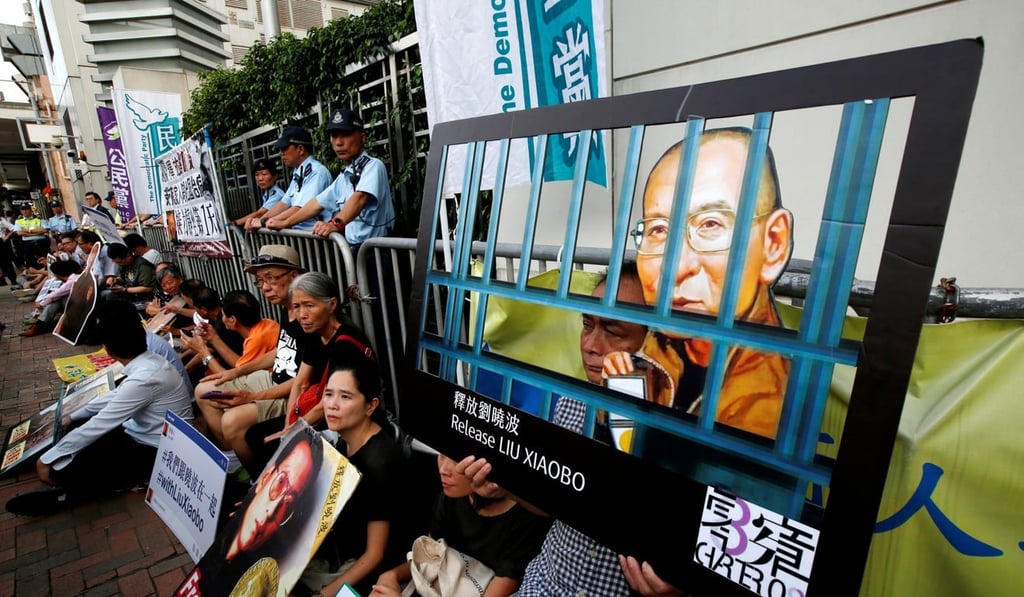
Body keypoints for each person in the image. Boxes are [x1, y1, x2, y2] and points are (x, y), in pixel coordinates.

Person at [459, 270, 683, 597]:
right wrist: (508, 484)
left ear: (661, 340)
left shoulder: (692, 442)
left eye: (614, 330)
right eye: (588, 324)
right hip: (544, 584)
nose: (590, 345)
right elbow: (554, 501)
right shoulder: (574, 403)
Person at [603, 127, 794, 439]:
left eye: (710, 225)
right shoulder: (661, 348)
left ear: (774, 243)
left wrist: (628, 416)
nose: (675, 268)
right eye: (658, 230)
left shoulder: (766, 402)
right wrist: (621, 395)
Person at [6, 300, 193, 516]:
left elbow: (102, 421)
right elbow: (114, 398)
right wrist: (72, 415)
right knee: (77, 431)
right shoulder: (148, 362)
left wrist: (47, 458)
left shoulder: (145, 377)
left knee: (63, 467)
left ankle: (75, 492)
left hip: (158, 450)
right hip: (142, 434)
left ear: (109, 350)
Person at [244, 272, 374, 476]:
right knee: (256, 436)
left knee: (273, 446)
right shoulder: (315, 334)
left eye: (309, 305)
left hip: (346, 418)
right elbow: (301, 383)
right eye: (296, 306)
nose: (301, 314)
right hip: (320, 409)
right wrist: (288, 427)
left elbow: (328, 404)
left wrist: (291, 434)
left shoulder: (346, 344)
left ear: (332, 305)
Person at [371, 452, 551, 597]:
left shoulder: (527, 520)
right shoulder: (452, 495)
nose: (443, 469)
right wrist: (390, 576)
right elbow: (429, 556)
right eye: (441, 454)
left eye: (456, 458)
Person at [299, 358, 406, 597]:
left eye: (345, 397)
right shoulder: (342, 442)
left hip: (373, 570)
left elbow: (375, 555)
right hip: (339, 551)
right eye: (328, 394)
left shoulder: (381, 462)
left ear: (371, 406)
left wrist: (326, 594)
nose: (332, 405)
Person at [196, 245, 307, 474]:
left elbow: (304, 380)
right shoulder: (286, 308)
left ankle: (257, 480)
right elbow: (282, 351)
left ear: (294, 276)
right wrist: (236, 372)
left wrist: (252, 397)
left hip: (292, 391)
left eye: (271, 278)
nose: (265, 288)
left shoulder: (307, 315)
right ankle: (233, 458)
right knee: (204, 390)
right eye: (260, 281)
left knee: (232, 421)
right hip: (274, 379)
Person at [194, 430, 325, 596]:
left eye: (289, 501)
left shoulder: (263, 582)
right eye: (280, 482)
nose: (271, 511)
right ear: (265, 478)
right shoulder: (218, 513)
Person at [267, 109, 395, 249]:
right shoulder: (343, 178)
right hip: (357, 250)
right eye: (334, 136)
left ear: (363, 137)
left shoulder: (373, 166)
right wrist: (286, 223)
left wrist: (334, 224)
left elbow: (359, 199)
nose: (339, 142)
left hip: (378, 251)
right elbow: (316, 204)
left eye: (346, 135)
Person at [191, 290, 280, 447]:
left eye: (224, 315)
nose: (222, 319)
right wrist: (214, 338)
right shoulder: (266, 324)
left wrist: (203, 351)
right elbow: (240, 367)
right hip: (263, 380)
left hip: (273, 388)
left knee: (204, 393)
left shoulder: (256, 339)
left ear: (232, 320)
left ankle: (230, 450)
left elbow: (231, 375)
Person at [244, 127, 332, 232]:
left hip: (317, 239)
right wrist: (260, 220)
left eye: (285, 148)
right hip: (304, 237)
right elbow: (284, 203)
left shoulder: (317, 172)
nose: (281, 153)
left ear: (300, 149)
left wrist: (264, 222)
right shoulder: (298, 173)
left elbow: (301, 208)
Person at [234, 158, 285, 226]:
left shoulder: (278, 194)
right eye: (257, 175)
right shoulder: (267, 194)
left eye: (264, 174)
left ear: (275, 176)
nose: (260, 179)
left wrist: (235, 223)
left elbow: (261, 214)